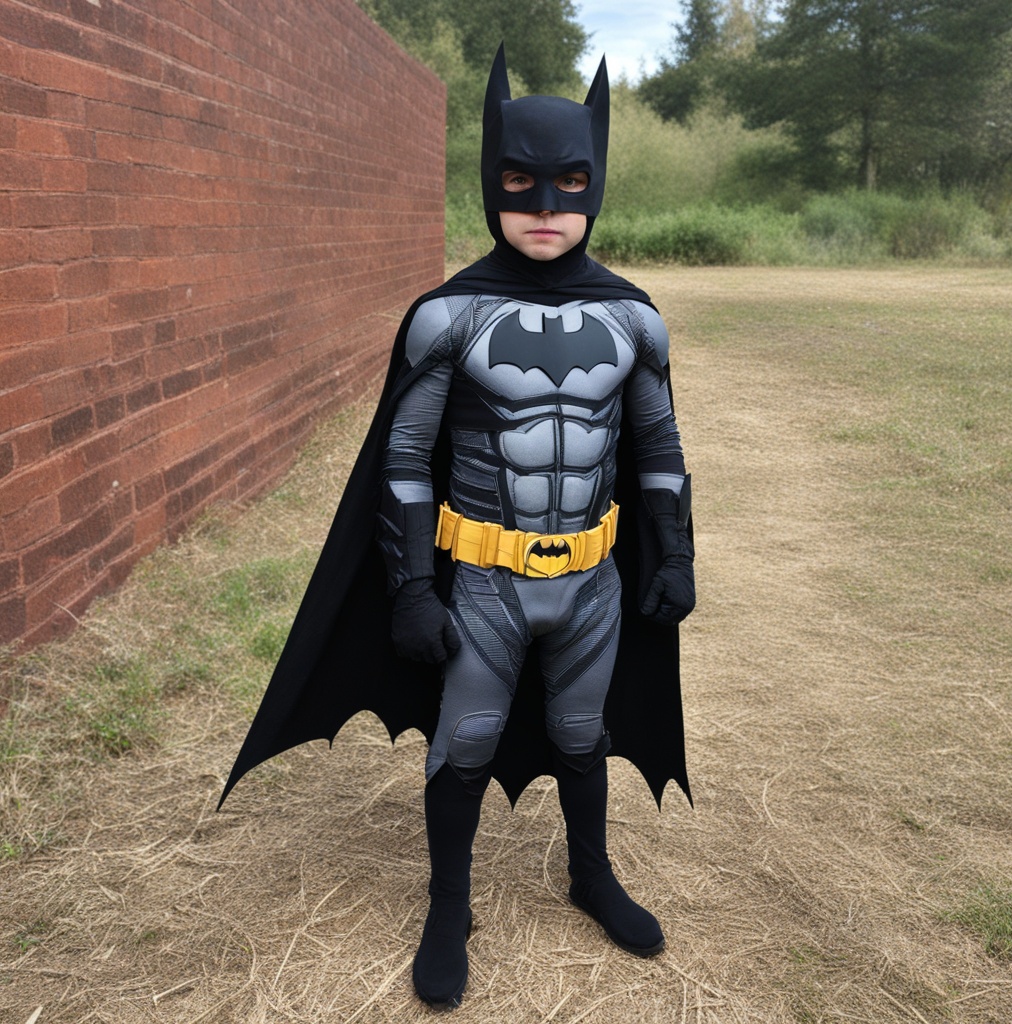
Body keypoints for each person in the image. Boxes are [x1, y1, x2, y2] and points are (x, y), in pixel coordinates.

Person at [220, 45, 695, 1012]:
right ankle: (449, 906)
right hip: (482, 582)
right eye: (521, 184)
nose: (546, 207)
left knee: (582, 732)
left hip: (593, 583)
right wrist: (409, 589)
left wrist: (677, 551)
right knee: (465, 741)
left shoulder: (634, 319)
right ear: (490, 181)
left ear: (597, 184)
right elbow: (402, 460)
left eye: (571, 185)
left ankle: (591, 875)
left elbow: (658, 443)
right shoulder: (449, 315)